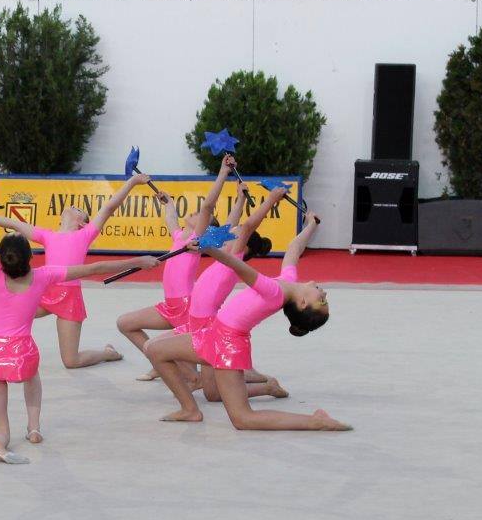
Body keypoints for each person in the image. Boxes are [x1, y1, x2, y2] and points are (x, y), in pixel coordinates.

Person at [0, 203, 162, 463]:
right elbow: (95, 268)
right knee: (32, 376)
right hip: (22, 352)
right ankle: (33, 426)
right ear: (30, 259)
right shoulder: (44, 276)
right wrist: (140, 261)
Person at [144, 213, 350, 430]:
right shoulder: (287, 281)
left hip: (227, 344)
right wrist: (311, 225)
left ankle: (316, 421)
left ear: (302, 303)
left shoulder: (275, 291)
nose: (323, 292)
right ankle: (190, 410)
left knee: (243, 418)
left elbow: (239, 267)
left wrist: (208, 248)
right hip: (214, 334)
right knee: (157, 351)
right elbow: (294, 248)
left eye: (322, 300)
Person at [0, 171, 151, 369]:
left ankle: (107, 353)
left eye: (78, 209)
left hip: (69, 298)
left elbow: (109, 207)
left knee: (71, 361)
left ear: (82, 223)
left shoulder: (85, 234)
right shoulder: (47, 236)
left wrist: (132, 181)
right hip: (45, 291)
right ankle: (4, 348)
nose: (73, 207)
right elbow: (14, 223)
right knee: (11, 310)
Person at [116, 154, 235, 382]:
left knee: (187, 358)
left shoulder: (196, 241)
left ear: (205, 225)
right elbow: (171, 219)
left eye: (200, 215)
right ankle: (160, 363)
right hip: (169, 305)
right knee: (125, 323)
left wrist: (223, 173)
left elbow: (208, 206)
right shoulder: (181, 236)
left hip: (185, 306)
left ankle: (185, 374)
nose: (195, 212)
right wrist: (168, 202)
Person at [177, 181, 289, 401]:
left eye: (235, 235)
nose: (228, 235)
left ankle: (267, 387)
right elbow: (231, 224)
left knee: (213, 395)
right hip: (195, 321)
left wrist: (271, 200)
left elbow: (246, 227)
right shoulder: (223, 256)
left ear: (243, 247)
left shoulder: (233, 259)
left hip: (208, 325)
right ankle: (243, 374)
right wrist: (240, 198)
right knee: (165, 348)